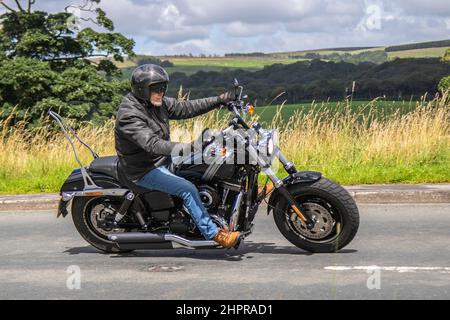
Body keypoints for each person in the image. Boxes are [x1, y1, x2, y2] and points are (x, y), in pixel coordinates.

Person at [114, 64, 241, 248]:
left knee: (204, 168)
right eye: (156, 89)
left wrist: (219, 100)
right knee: (187, 188)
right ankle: (213, 233)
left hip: (162, 161)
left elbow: (186, 108)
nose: (161, 92)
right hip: (145, 169)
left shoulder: (157, 103)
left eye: (163, 88)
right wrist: (187, 148)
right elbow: (152, 144)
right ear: (142, 89)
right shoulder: (129, 114)